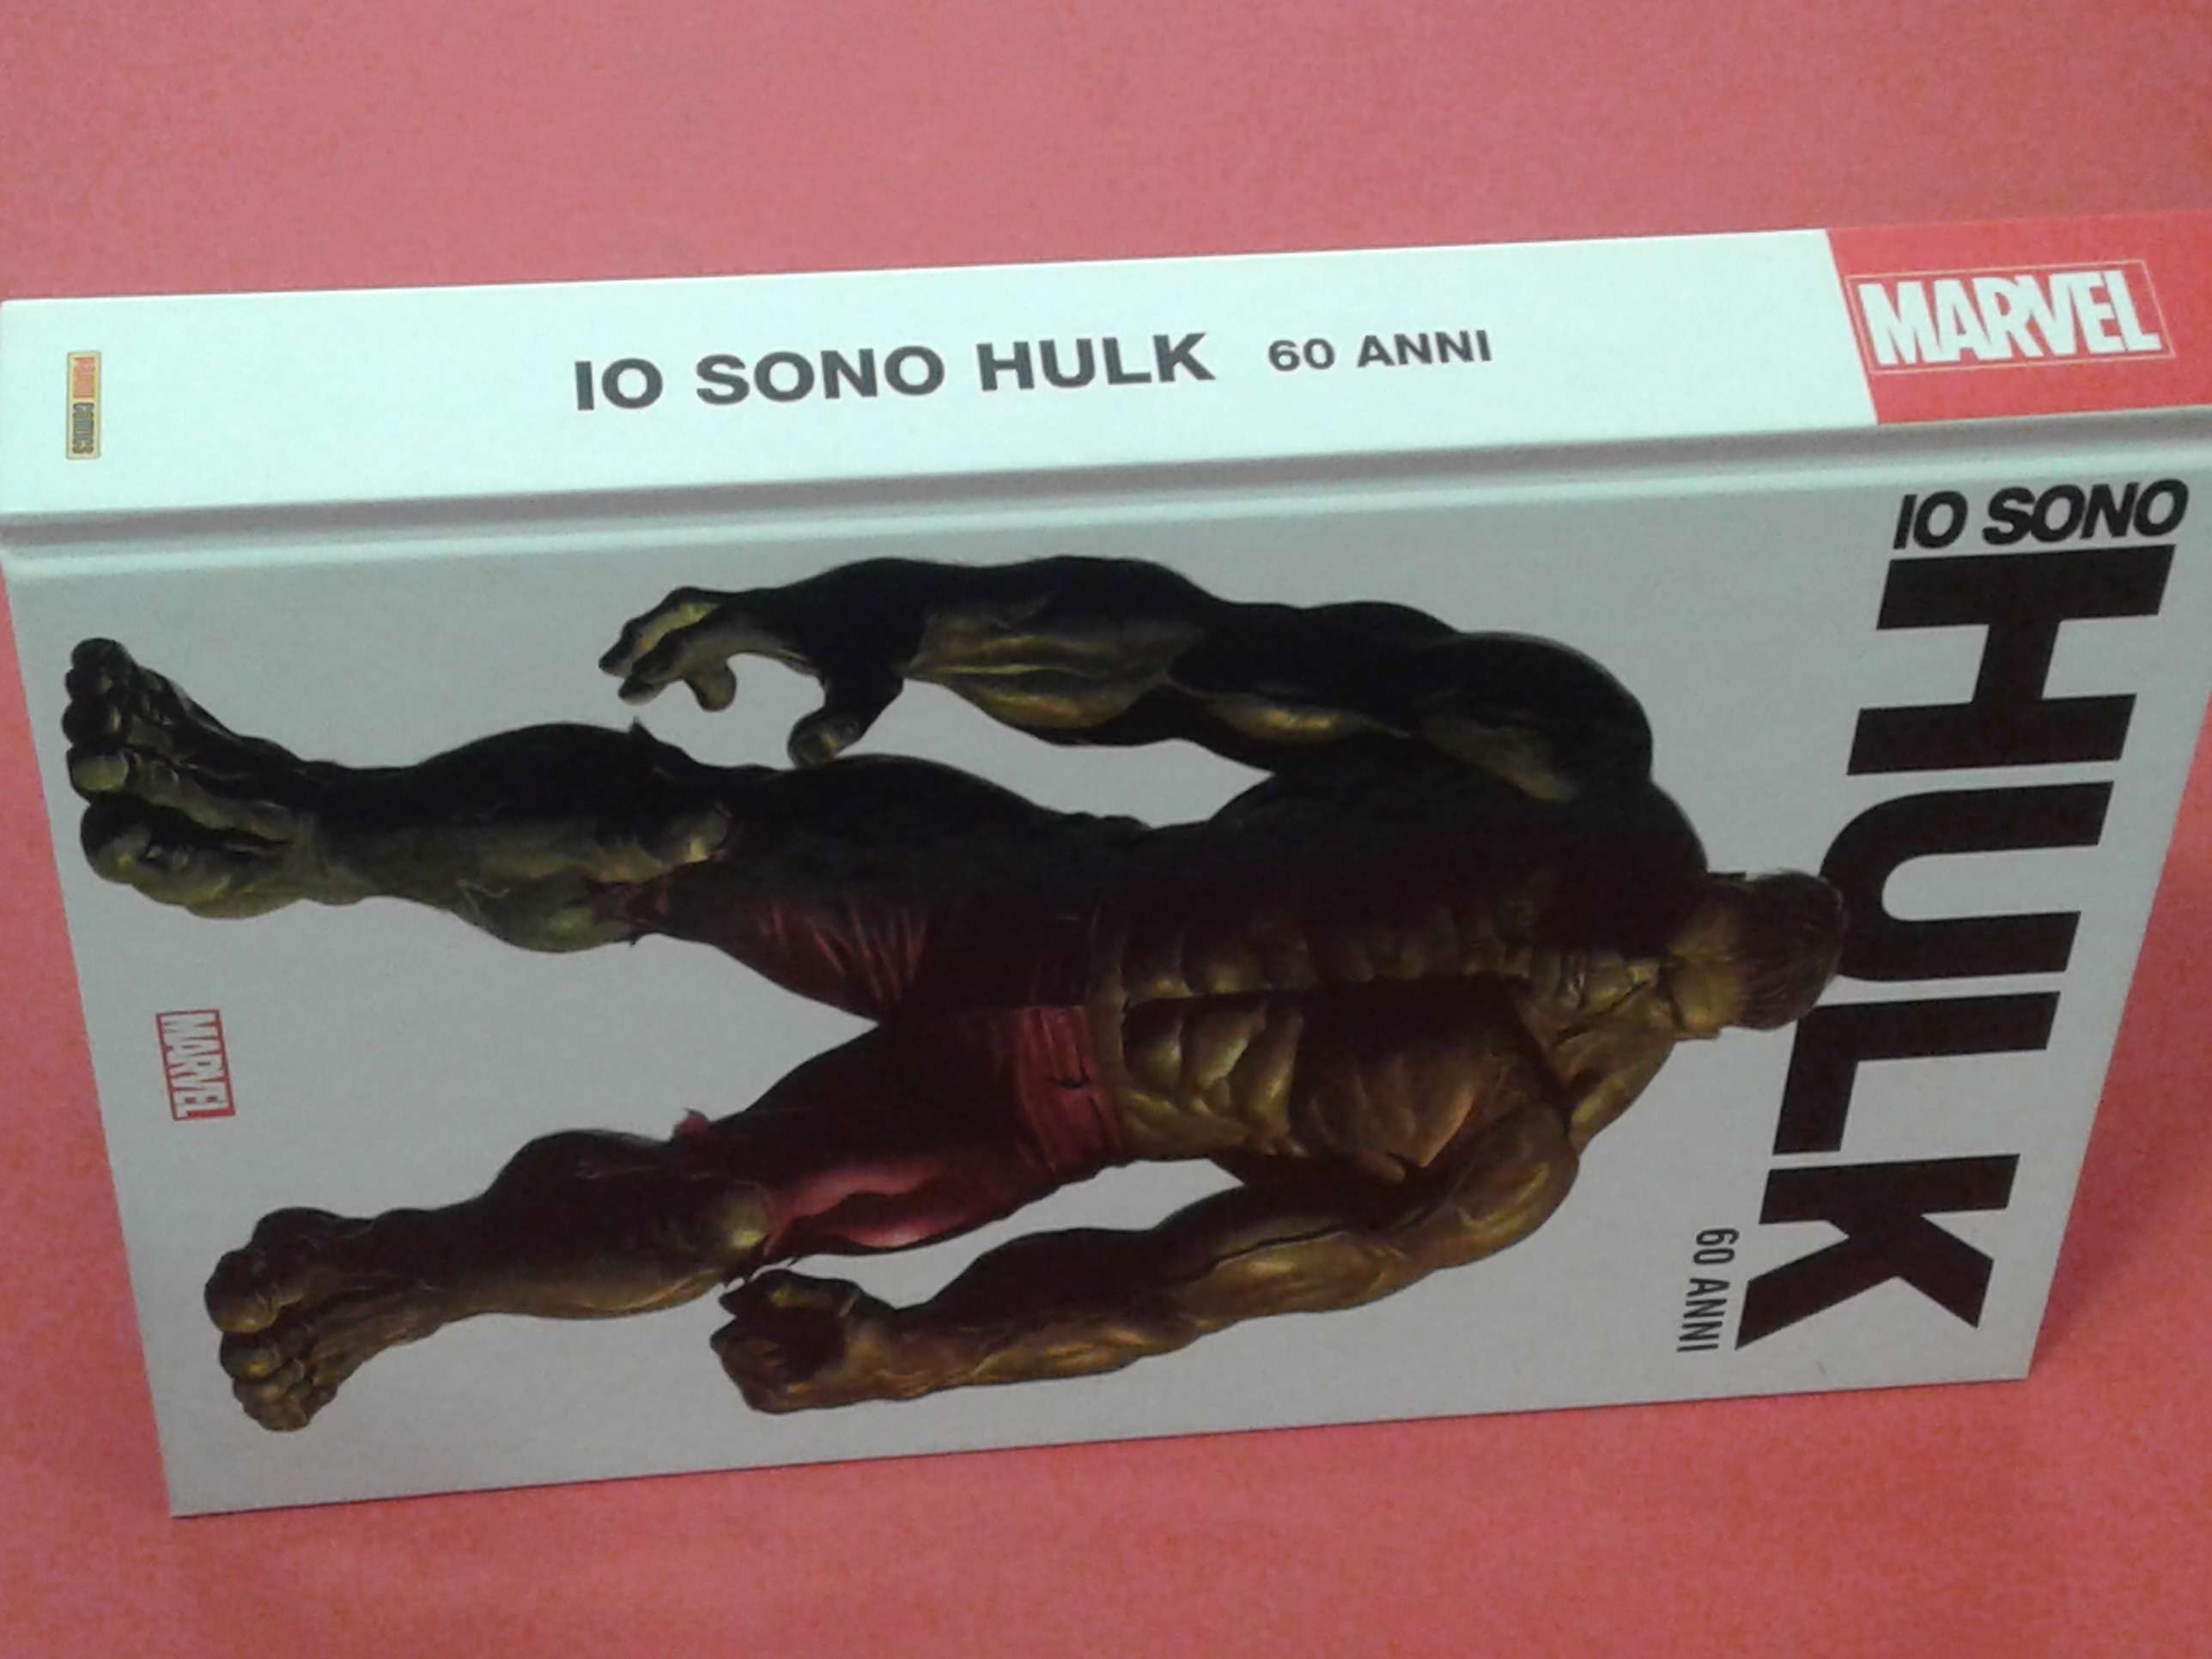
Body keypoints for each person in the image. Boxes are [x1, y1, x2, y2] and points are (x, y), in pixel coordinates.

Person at [63, 555, 1843, 1431]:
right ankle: (310, 825)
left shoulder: (1509, 1160)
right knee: (666, 835)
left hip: (1028, 1119)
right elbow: (1193, 662)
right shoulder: (1557, 756)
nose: (1613, 965)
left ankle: (409, 1277)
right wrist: (904, 621)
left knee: (726, 1219)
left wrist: (921, 1355)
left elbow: (1182, 1288)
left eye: (1657, 989)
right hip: (1032, 898)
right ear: (1713, 872)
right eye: (1658, 921)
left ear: (1694, 1029)